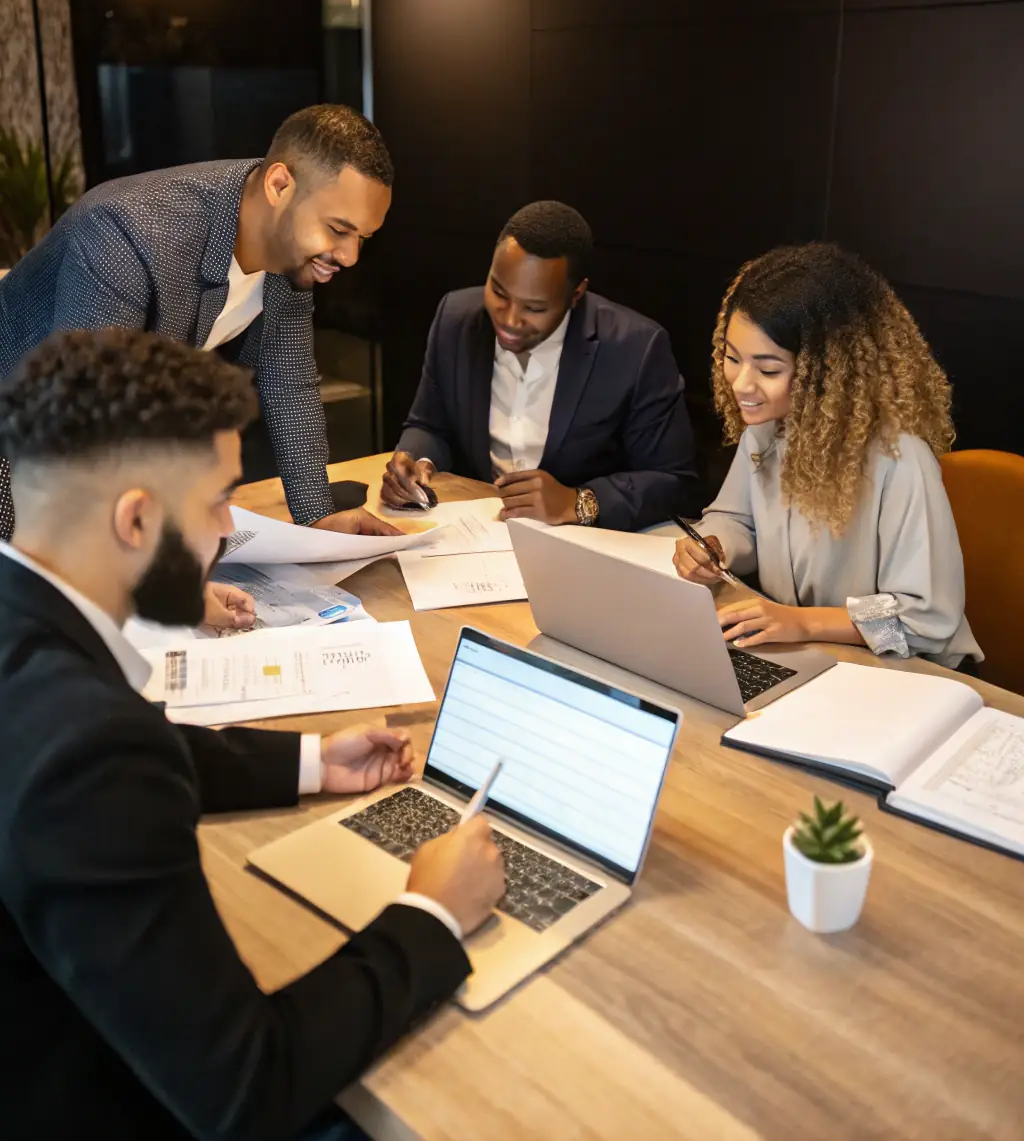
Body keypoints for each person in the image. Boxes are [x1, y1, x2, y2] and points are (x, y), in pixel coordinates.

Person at [0, 329, 505, 1141]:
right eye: (216, 504)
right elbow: (247, 1087)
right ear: (136, 518)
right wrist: (430, 914)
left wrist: (308, 759)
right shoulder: (87, 754)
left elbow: (112, 750)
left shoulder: (28, 631)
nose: (228, 534)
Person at [0, 103, 401, 546]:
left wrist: (318, 520)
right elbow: (93, 422)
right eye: (337, 229)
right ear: (279, 185)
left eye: (361, 238)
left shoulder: (289, 253)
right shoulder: (128, 231)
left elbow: (289, 382)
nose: (349, 256)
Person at [673, 243, 981, 668]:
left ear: (825, 370)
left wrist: (803, 623)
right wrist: (715, 546)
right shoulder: (765, 425)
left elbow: (924, 618)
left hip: (908, 672)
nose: (741, 384)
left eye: (768, 370)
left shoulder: (898, 457)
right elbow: (738, 520)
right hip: (808, 653)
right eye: (731, 357)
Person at [382, 201, 701, 531]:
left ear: (576, 295)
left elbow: (675, 482)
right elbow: (430, 424)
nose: (508, 319)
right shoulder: (455, 318)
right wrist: (416, 462)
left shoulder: (636, 348)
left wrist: (578, 502)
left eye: (534, 308)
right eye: (498, 292)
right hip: (477, 534)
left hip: (585, 544)